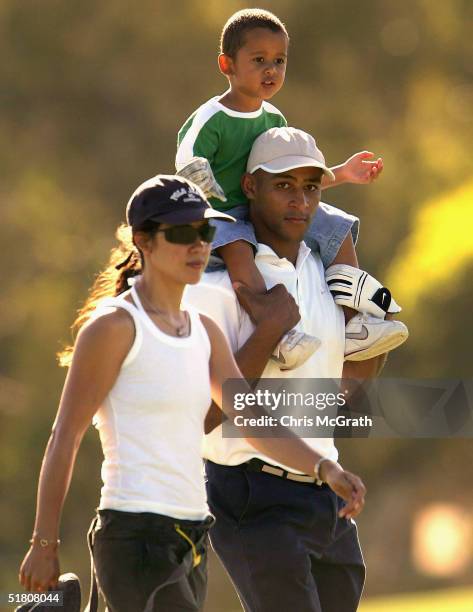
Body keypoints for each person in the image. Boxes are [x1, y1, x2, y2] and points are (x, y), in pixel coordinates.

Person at [18, 175, 367, 612]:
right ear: (143, 242)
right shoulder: (112, 328)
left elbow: (249, 415)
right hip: (134, 533)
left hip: (192, 535)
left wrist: (324, 468)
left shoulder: (203, 331)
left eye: (206, 232)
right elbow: (64, 437)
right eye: (183, 234)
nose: (199, 246)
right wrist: (44, 543)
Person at [185, 128, 394, 612]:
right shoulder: (216, 285)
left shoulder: (327, 273)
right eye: (284, 186)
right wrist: (269, 329)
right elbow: (203, 418)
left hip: (328, 491)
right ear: (250, 187)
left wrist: (374, 341)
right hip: (251, 494)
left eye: (312, 187)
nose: (300, 200)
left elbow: (342, 398)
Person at [177, 7, 407, 368]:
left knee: (337, 224)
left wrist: (342, 173)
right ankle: (276, 330)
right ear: (227, 65)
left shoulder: (275, 120)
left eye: (279, 60)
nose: (271, 70)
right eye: (259, 60)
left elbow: (290, 179)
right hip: (223, 212)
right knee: (237, 249)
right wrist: (196, 173)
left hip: (263, 206)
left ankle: (351, 325)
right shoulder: (212, 117)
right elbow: (187, 155)